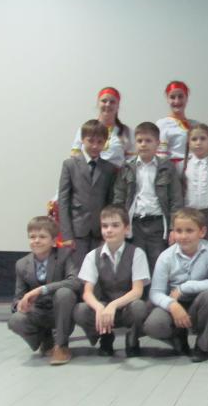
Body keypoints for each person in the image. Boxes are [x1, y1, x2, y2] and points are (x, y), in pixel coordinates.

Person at [143, 208, 208, 362]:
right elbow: (155, 293)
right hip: (174, 303)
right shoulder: (166, 257)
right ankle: (178, 337)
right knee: (153, 324)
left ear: (202, 232)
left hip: (200, 304)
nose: (183, 236)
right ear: (173, 232)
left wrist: (184, 287)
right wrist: (172, 306)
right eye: (178, 231)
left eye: (189, 231)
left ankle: (202, 344)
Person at [73, 206, 150, 357]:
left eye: (115, 225)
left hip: (127, 307)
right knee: (80, 310)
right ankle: (105, 336)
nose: (109, 230)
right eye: (105, 226)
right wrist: (99, 307)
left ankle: (132, 338)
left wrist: (113, 305)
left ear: (126, 229)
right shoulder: (92, 256)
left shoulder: (137, 253)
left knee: (139, 307)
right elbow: (87, 293)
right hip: (104, 307)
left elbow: (137, 291)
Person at [8, 217, 81, 365]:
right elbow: (17, 298)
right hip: (38, 312)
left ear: (54, 241)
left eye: (42, 237)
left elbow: (75, 282)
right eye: (32, 237)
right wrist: (20, 305)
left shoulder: (65, 255)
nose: (36, 240)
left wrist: (42, 289)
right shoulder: (21, 264)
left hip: (61, 312)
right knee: (15, 320)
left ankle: (61, 346)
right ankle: (45, 341)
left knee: (64, 292)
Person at [112, 122, 183, 273]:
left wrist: (174, 228)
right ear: (135, 143)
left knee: (157, 264)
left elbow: (176, 200)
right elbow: (119, 198)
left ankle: (156, 289)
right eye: (140, 141)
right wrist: (119, 224)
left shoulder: (167, 167)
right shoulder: (127, 167)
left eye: (148, 140)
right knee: (136, 265)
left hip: (158, 224)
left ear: (157, 143)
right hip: (135, 224)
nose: (143, 144)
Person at [58, 120, 117, 267]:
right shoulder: (70, 165)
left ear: (105, 143)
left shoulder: (109, 169)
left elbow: (110, 202)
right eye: (91, 141)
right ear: (82, 140)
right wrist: (66, 234)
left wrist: (109, 231)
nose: (95, 146)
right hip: (77, 230)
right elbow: (63, 200)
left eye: (100, 142)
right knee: (77, 271)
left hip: (100, 231)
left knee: (98, 270)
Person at [70, 87, 133, 168]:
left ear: (118, 106)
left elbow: (132, 160)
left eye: (112, 102)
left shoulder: (126, 131)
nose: (108, 104)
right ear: (98, 104)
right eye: (104, 101)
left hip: (115, 174)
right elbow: (74, 155)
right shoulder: (85, 129)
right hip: (87, 174)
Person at [156, 81, 201, 173]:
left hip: (196, 171)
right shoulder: (162, 124)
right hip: (174, 173)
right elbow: (161, 156)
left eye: (180, 96)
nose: (177, 101)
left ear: (186, 98)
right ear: (167, 99)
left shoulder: (196, 125)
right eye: (172, 97)